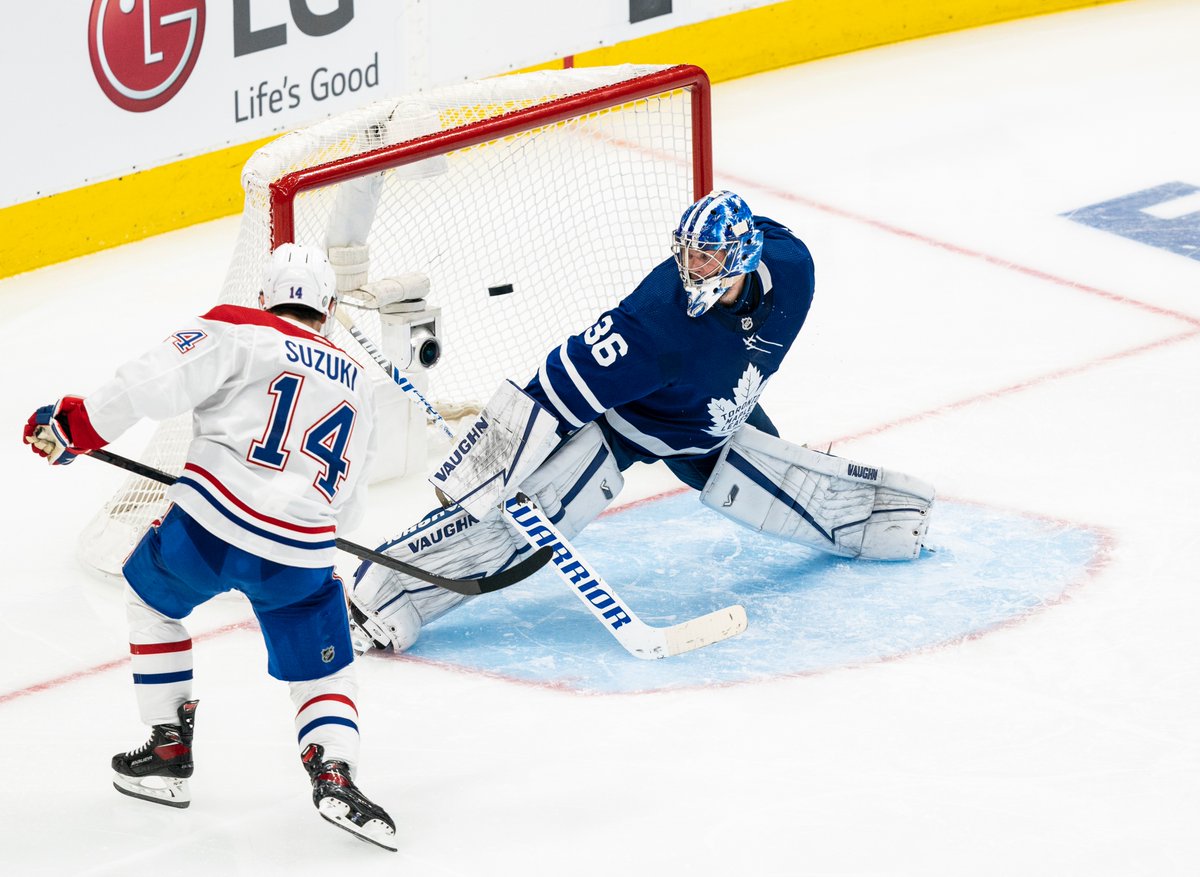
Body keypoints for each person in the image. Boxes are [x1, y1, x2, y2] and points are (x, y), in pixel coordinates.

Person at [347, 190, 934, 654]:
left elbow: (764, 231)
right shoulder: (651, 325)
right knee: (521, 528)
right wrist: (482, 470)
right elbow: (553, 385)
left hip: (716, 419)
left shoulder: (792, 265)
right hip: (624, 427)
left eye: (705, 255)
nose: (688, 265)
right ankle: (383, 594)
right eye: (685, 250)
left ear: (743, 259)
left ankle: (885, 522)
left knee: (792, 487)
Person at [23, 244, 397, 852]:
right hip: (301, 553)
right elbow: (350, 500)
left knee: (151, 601)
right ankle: (335, 772)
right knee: (321, 666)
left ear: (264, 297)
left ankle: (169, 750)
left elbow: (151, 381)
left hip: (210, 532)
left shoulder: (239, 325)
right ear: (327, 310)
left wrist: (72, 426)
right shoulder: (356, 381)